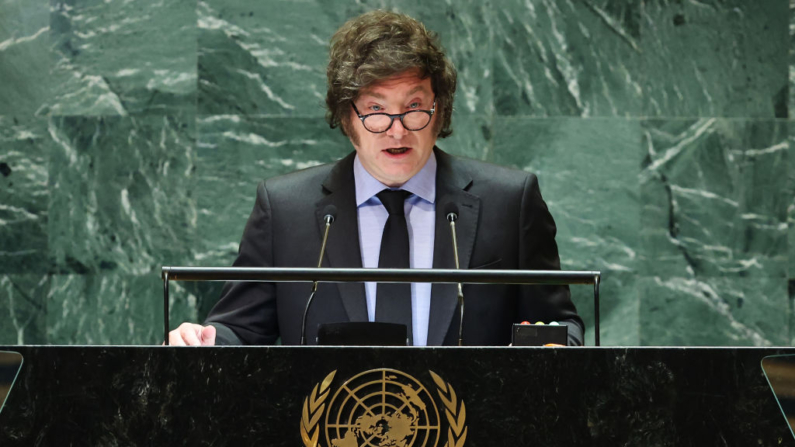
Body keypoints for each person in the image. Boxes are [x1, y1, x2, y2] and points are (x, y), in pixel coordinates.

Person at [168, 10, 584, 347]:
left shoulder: (509, 202)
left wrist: (551, 350)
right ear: (347, 116)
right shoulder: (285, 209)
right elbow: (240, 330)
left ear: (440, 111)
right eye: (376, 109)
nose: (397, 129)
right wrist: (201, 340)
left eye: (415, 106)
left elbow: (558, 327)